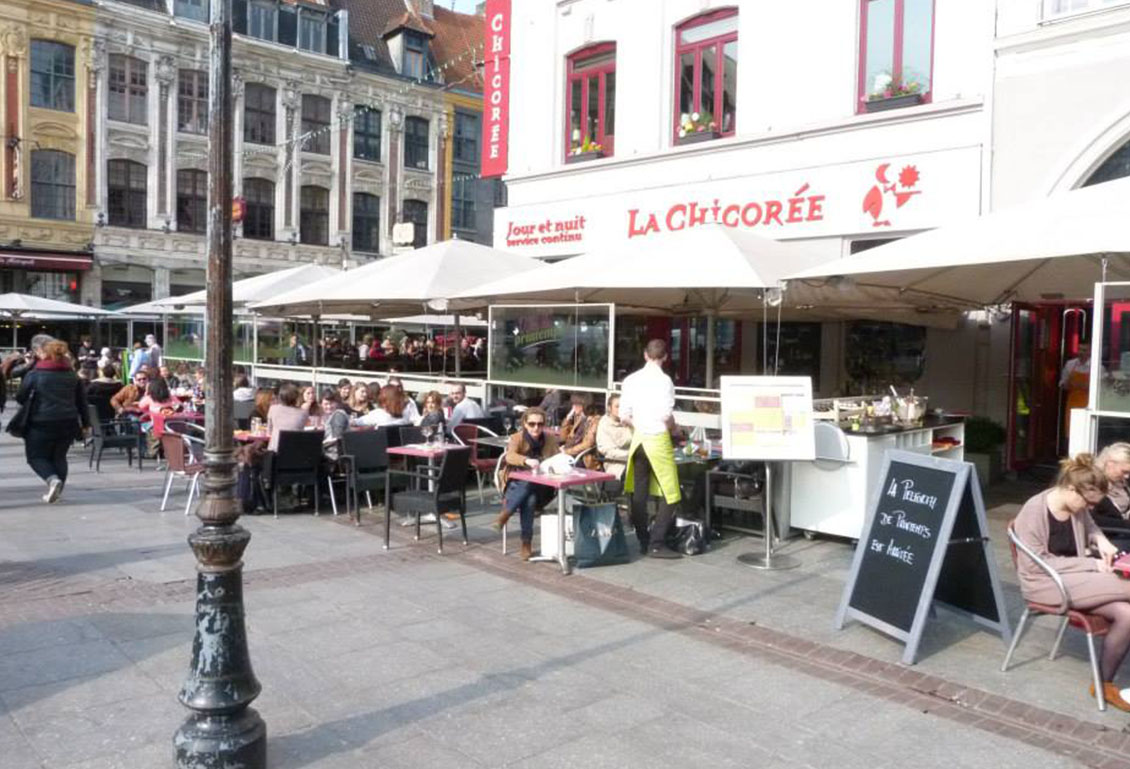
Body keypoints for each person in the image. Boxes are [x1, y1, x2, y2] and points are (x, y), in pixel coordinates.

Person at [1014, 454, 1130, 710]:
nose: (1089, 509)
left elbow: (1090, 525)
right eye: (1088, 503)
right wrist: (1092, 564)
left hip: (1077, 579)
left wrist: (1101, 541)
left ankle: (1103, 684)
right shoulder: (1034, 510)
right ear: (1069, 489)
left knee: (1127, 614)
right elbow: (1036, 564)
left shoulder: (1075, 505)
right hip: (1046, 584)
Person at [620, 339, 682, 559]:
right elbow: (666, 415)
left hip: (638, 440)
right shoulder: (665, 381)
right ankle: (657, 542)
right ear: (665, 357)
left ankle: (643, 540)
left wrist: (639, 425)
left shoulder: (630, 380)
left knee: (640, 493)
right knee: (671, 493)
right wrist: (672, 427)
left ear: (645, 355)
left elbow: (623, 415)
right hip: (657, 438)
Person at [14, 339, 89, 503]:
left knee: (36, 456)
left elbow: (20, 397)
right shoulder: (72, 375)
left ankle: (52, 479)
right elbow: (81, 401)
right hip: (68, 421)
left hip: (40, 421)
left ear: (44, 355)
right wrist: (86, 423)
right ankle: (57, 491)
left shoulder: (35, 374)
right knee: (59, 456)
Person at [496, 407, 560, 561]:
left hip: (543, 489)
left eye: (540, 424)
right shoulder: (517, 438)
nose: (536, 428)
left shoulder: (550, 439)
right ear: (524, 423)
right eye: (532, 424)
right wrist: (526, 460)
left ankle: (506, 513)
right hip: (515, 485)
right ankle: (526, 542)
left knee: (530, 490)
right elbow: (510, 456)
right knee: (529, 497)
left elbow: (557, 458)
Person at [1092, 444, 1130, 546]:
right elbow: (1091, 519)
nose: (1126, 476)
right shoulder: (1092, 484)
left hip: (1121, 531)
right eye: (1124, 472)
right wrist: (1126, 524)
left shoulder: (1121, 483)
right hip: (1104, 536)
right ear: (1110, 463)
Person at [597, 393, 633, 480]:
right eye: (617, 406)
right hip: (615, 462)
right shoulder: (605, 424)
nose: (620, 409)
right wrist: (629, 455)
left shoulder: (630, 422)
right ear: (610, 408)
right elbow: (607, 450)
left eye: (623, 406)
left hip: (635, 460)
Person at [560, 394, 600, 469]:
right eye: (573, 404)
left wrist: (567, 451)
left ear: (584, 406)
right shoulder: (580, 419)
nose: (573, 407)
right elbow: (563, 438)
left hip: (584, 459)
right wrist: (567, 419)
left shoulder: (595, 421)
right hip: (572, 454)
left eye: (576, 405)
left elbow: (588, 444)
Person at [266, 382, 309, 451]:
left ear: (280, 397)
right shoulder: (304, 413)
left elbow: (269, 432)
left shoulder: (273, 409)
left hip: (274, 453)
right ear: (296, 397)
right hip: (295, 453)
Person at [319, 389, 351, 465]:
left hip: (334, 456)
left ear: (336, 403)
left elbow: (337, 439)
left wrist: (320, 444)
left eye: (331, 403)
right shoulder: (327, 417)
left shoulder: (338, 415)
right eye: (326, 404)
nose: (329, 406)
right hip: (328, 453)